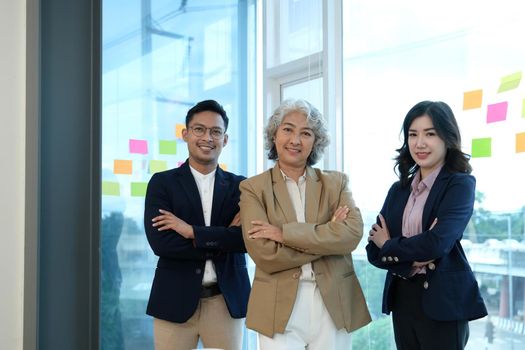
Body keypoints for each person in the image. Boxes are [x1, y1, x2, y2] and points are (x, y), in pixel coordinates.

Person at [239, 99, 371, 350]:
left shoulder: (336, 183)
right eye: (288, 129)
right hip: (277, 304)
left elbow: (351, 235)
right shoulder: (253, 188)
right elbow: (265, 254)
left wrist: (284, 234)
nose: (295, 140)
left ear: (316, 141)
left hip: (333, 301)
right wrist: (327, 237)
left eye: (306, 133)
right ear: (274, 135)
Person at [366, 100, 487, 349]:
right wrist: (412, 253)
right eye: (413, 134)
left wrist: (389, 244)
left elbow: (437, 243)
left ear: (447, 137)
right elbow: (373, 251)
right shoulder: (398, 190)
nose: (420, 143)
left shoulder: (459, 184)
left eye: (430, 134)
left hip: (442, 301)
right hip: (402, 298)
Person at [144, 99, 250, 350]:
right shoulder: (162, 183)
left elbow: (246, 240)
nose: (207, 137)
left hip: (225, 302)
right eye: (199, 129)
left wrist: (191, 232)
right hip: (173, 301)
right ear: (186, 134)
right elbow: (162, 243)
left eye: (216, 131)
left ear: (225, 139)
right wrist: (223, 238)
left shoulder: (241, 187)